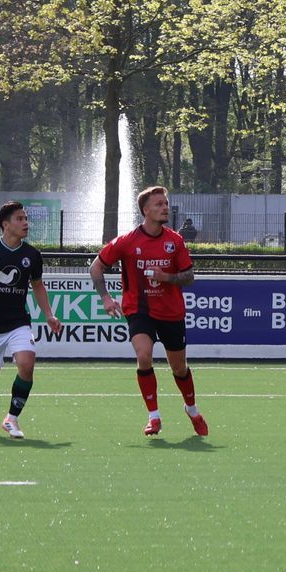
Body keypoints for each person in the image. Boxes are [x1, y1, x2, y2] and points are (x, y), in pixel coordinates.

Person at [91, 185, 206, 437]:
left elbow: (189, 277)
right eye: (159, 204)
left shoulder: (175, 240)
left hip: (171, 312)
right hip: (139, 310)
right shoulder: (127, 241)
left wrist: (166, 276)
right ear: (146, 210)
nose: (165, 208)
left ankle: (192, 409)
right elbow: (96, 267)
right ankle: (154, 416)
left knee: (179, 368)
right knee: (144, 356)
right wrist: (106, 298)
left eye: (165, 203)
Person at [0, 200, 60, 438]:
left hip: (18, 321)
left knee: (27, 364)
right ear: (6, 225)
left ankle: (12, 419)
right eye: (20, 218)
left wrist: (49, 314)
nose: (26, 223)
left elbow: (37, 286)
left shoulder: (32, 255)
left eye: (26, 218)